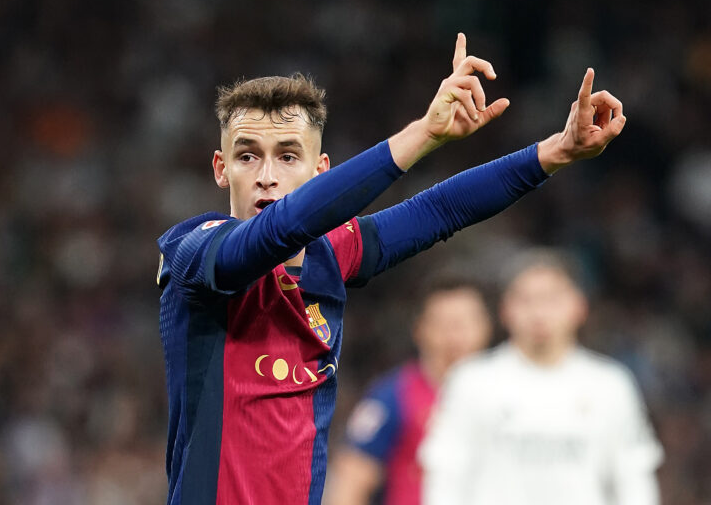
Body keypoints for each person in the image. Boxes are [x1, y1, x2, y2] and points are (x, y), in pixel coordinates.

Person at [156, 32, 627, 505]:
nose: (266, 176)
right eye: (247, 156)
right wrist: (424, 133)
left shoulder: (330, 255)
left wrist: (555, 152)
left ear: (321, 170)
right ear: (221, 169)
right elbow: (282, 228)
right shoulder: (194, 253)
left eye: (288, 156)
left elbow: (440, 210)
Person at [419, 249, 663, 505]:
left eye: (551, 299)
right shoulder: (471, 381)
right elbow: (446, 477)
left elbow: (634, 480)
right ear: (505, 309)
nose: (539, 313)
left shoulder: (611, 385)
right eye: (526, 300)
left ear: (579, 306)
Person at [326, 278, 492, 505]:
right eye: (443, 325)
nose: (454, 337)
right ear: (419, 330)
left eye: (463, 324)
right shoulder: (392, 395)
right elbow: (350, 483)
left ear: (487, 327)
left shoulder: (508, 396)